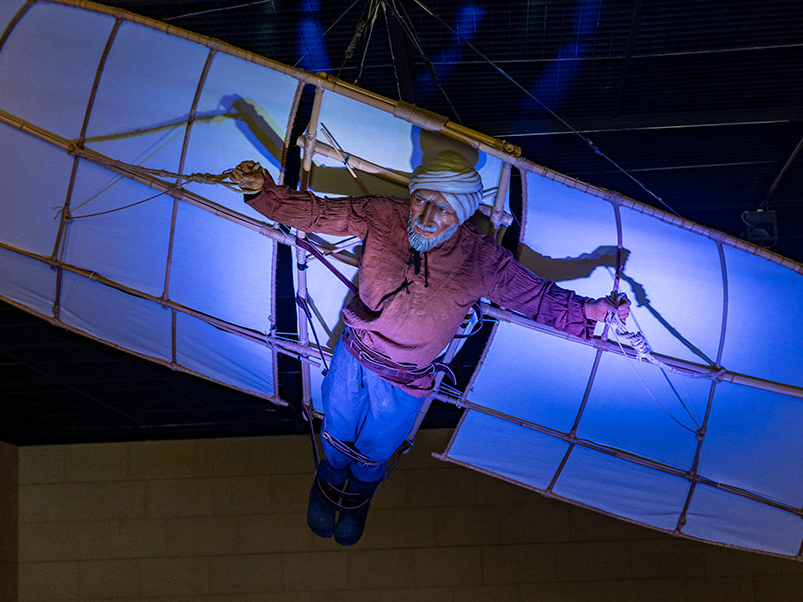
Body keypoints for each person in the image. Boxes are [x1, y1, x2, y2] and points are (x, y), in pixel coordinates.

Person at [230, 150, 629, 545]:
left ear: (463, 212)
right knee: (337, 420)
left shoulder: (482, 258)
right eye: (422, 200)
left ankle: (359, 496)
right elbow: (319, 214)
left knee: (378, 442)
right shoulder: (385, 215)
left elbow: (537, 298)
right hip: (355, 353)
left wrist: (590, 311)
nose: (425, 218)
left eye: (442, 209)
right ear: (413, 193)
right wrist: (263, 191)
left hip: (406, 378)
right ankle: (328, 480)